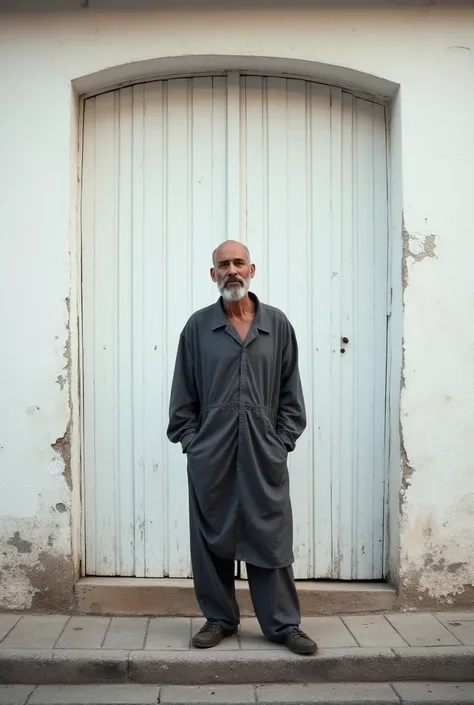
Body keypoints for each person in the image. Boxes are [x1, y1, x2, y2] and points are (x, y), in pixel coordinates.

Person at [167, 240, 317, 656]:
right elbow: (183, 396)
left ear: (252, 269)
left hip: (262, 452)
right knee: (210, 536)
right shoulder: (198, 328)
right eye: (222, 264)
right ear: (212, 275)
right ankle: (220, 619)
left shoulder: (277, 326)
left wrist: (281, 441)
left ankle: (283, 625)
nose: (231, 270)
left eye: (238, 263)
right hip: (210, 453)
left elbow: (291, 394)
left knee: (270, 534)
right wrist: (192, 443)